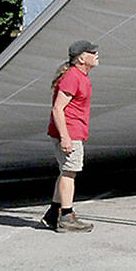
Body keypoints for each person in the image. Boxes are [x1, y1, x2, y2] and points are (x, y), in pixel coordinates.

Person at [41, 39, 100, 232]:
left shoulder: (79, 76)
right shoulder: (72, 77)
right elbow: (58, 109)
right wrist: (65, 137)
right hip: (69, 132)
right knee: (69, 173)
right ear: (82, 58)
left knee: (66, 171)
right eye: (92, 52)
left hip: (73, 131)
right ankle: (66, 217)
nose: (96, 55)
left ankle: (52, 214)